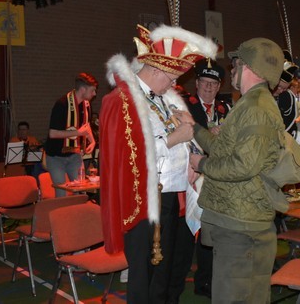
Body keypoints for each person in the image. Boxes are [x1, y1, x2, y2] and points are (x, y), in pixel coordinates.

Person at [100, 24, 216, 304]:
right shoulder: (123, 100)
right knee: (146, 276)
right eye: (172, 78)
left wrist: (189, 153)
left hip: (171, 196)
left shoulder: (161, 100)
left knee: (166, 273)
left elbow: (169, 140)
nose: (174, 85)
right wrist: (176, 138)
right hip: (145, 200)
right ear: (155, 70)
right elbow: (131, 154)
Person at [189, 37, 285, 303]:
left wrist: (202, 164)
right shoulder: (249, 104)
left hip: (241, 226)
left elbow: (244, 165)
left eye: (237, 64)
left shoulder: (255, 108)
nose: (232, 69)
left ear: (250, 68)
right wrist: (194, 128)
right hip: (238, 218)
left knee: (233, 297)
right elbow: (224, 148)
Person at [172, 58, 230, 299]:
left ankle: (205, 281)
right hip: (190, 176)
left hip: (216, 177)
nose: (208, 87)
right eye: (204, 82)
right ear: (196, 83)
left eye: (213, 84)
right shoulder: (184, 106)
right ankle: (174, 287)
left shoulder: (225, 109)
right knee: (184, 236)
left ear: (219, 86)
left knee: (211, 232)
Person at [44, 72, 97, 197]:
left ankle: (79, 210)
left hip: (75, 155)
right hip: (56, 156)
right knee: (61, 193)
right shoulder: (62, 104)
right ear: (83, 89)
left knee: (81, 191)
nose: (94, 94)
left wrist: (92, 141)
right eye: (92, 90)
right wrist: (78, 133)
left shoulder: (86, 104)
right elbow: (53, 133)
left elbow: (86, 126)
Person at [274, 50, 300, 134]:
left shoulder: (288, 97)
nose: (281, 90)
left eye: (285, 88)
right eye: (279, 87)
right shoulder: (261, 94)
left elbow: (288, 126)